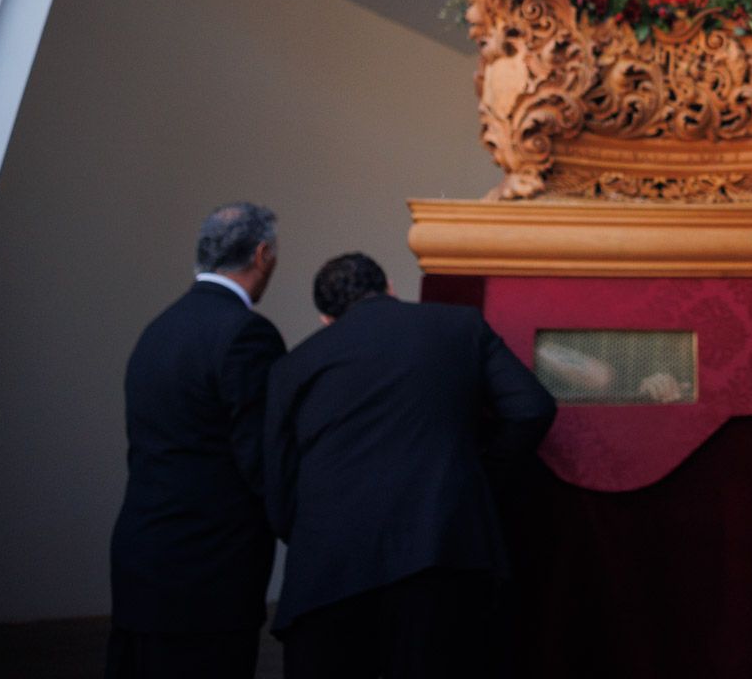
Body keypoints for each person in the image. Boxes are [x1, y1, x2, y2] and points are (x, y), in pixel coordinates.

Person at [264, 252, 556, 677]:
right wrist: (476, 476)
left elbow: (277, 484)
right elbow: (532, 409)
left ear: (326, 318)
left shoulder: (292, 367)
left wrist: (314, 536)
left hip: (328, 573)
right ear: (390, 289)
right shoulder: (460, 326)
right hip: (440, 552)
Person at [107, 201, 287, 679]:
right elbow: (261, 458)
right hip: (208, 572)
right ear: (262, 254)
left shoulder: (158, 330)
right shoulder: (247, 335)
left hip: (142, 555)